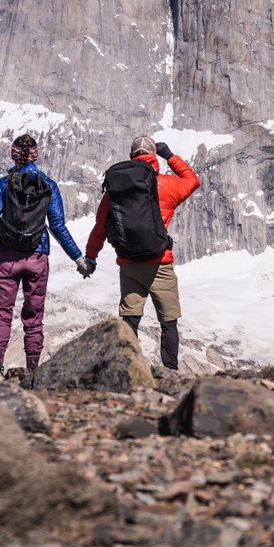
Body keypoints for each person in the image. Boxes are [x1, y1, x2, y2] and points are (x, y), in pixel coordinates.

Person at [84, 136, 200, 372]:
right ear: (153, 155)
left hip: (129, 263)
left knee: (129, 320)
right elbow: (192, 181)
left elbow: (100, 226)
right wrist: (169, 155)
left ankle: (128, 370)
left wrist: (91, 256)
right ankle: (170, 371)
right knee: (168, 322)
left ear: (131, 157)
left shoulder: (115, 190)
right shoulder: (166, 184)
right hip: (160, 263)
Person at [0, 133, 92, 378]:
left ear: (13, 153)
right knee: (34, 318)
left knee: (1, 313)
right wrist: (78, 258)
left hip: (6, 259)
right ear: (36, 154)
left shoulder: (3, 185)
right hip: (37, 256)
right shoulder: (49, 185)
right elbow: (57, 226)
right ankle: (33, 373)